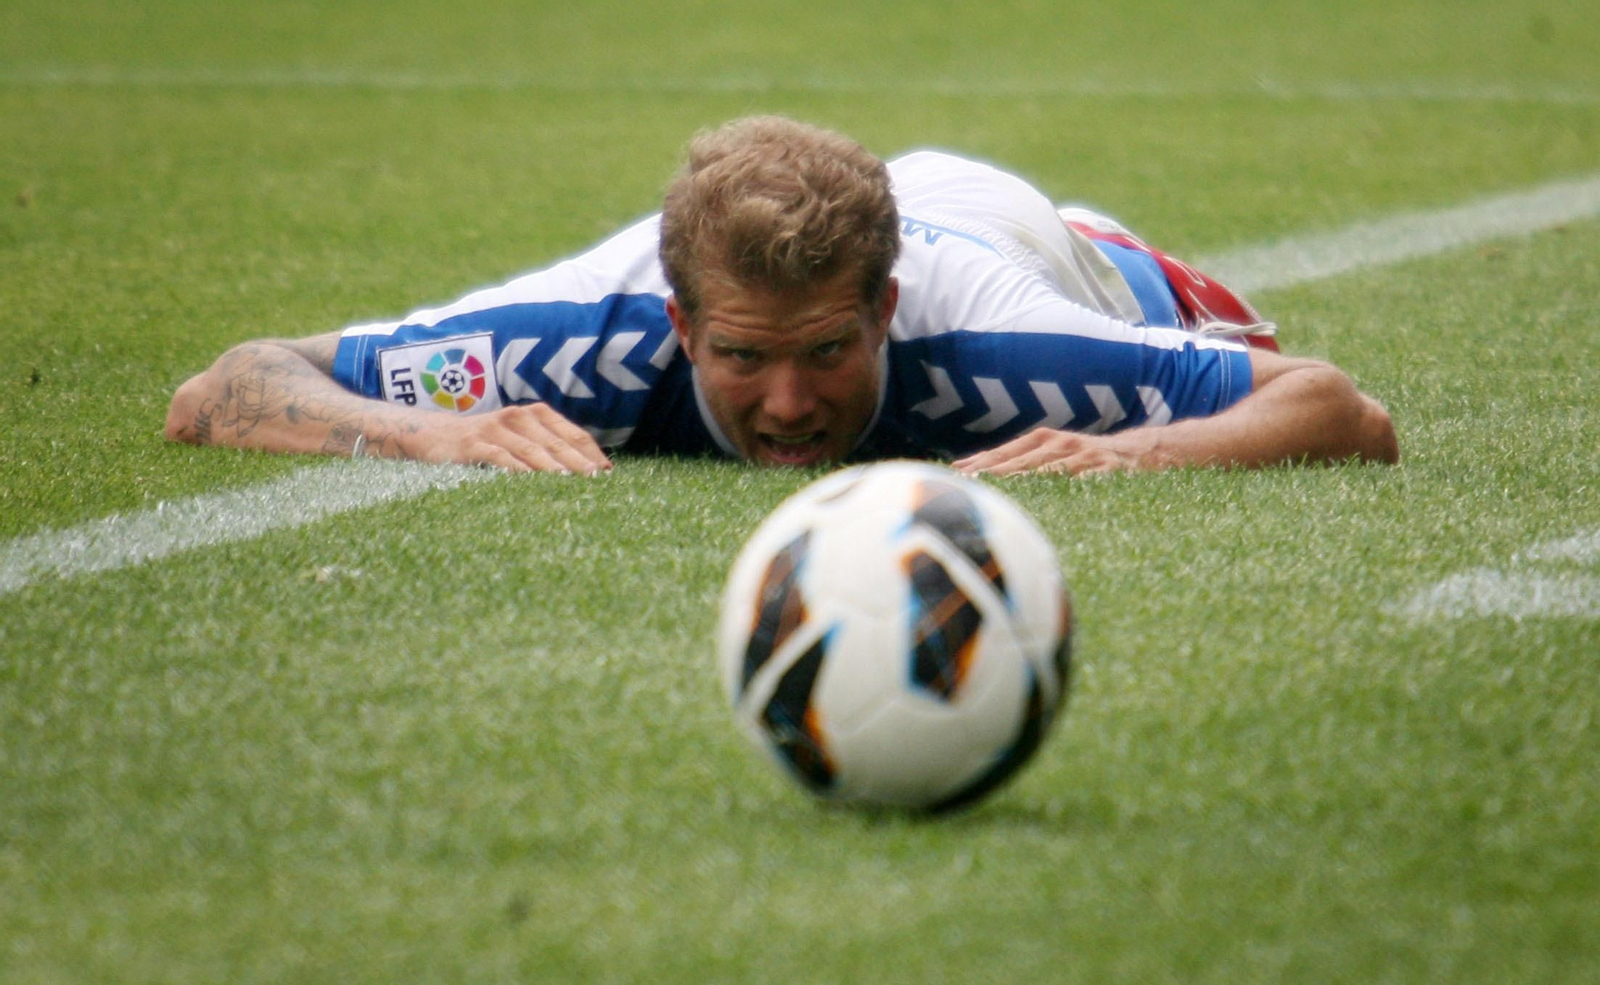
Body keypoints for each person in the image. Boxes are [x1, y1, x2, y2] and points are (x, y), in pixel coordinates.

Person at [166, 116, 1397, 477]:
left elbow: (1344, 409)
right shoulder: (583, 339)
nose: (792, 402)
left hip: (1084, 256)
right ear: (682, 325)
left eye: (826, 350)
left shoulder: (1001, 342)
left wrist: (1139, 456)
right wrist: (429, 427)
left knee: (1149, 301)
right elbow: (222, 384)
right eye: (743, 359)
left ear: (884, 309)